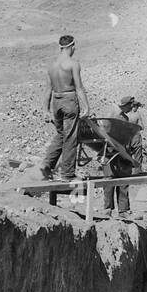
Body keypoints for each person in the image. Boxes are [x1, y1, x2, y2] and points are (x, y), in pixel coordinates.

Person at [40, 34, 91, 182]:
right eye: (74, 47)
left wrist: (45, 110)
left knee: (61, 134)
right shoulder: (73, 63)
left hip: (56, 101)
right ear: (71, 46)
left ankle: (47, 164)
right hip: (69, 99)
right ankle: (67, 174)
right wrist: (87, 107)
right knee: (70, 137)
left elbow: (48, 89)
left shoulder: (51, 65)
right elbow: (79, 87)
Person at [104, 95, 144, 217]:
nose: (131, 109)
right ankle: (108, 209)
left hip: (122, 152)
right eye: (130, 106)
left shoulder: (125, 117)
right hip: (111, 151)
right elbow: (106, 131)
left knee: (123, 181)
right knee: (109, 180)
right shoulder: (113, 114)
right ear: (126, 105)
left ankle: (123, 210)